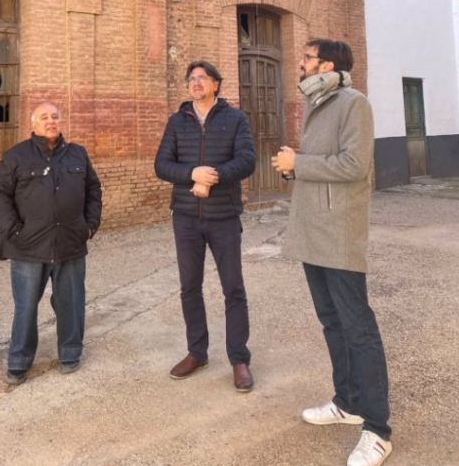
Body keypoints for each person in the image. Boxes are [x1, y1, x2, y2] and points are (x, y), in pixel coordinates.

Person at [272, 39, 391, 466]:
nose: (299, 63)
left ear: (326, 64)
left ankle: (377, 430)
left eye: (305, 57)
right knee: (332, 322)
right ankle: (348, 401)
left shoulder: (352, 103)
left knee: (358, 328)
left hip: (338, 232)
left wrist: (298, 163)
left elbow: (354, 166)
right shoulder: (317, 102)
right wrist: (295, 167)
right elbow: (322, 165)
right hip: (312, 231)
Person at [155, 60, 256, 392]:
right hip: (185, 218)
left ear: (216, 84)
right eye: (191, 79)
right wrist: (191, 175)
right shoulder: (177, 121)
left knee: (233, 289)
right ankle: (197, 353)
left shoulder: (235, 119)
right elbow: (162, 165)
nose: (195, 82)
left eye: (202, 78)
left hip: (223, 216)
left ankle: (239, 359)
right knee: (189, 287)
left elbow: (246, 160)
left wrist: (211, 176)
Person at [0, 102, 102, 385]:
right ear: (33, 124)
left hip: (70, 244)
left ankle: (70, 352)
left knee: (71, 302)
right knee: (25, 306)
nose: (51, 121)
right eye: (44, 117)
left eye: (55, 116)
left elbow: (93, 189)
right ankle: (19, 361)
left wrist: (89, 226)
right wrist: (12, 230)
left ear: (61, 121)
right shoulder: (16, 156)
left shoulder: (78, 154)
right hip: (28, 247)